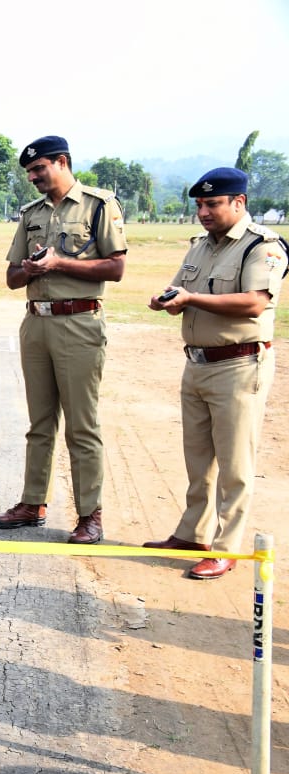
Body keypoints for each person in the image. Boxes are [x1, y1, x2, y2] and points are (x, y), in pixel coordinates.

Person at [143, 167, 285, 579]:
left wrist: (191, 298)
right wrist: (168, 300)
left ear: (238, 202)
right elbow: (181, 290)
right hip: (198, 363)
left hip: (239, 365)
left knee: (235, 464)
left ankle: (226, 548)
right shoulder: (201, 246)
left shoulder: (262, 246)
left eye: (212, 204)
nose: (203, 212)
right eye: (199, 205)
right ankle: (192, 533)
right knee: (198, 459)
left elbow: (255, 302)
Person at [0, 136, 127, 545]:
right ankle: (33, 502)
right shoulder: (31, 213)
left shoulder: (98, 205)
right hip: (37, 324)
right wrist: (32, 270)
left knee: (82, 426)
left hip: (79, 322)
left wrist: (59, 262)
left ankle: (90, 514)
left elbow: (116, 267)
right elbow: (12, 277)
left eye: (39, 169)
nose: (32, 177)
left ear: (62, 162)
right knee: (40, 422)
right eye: (29, 172)